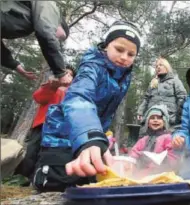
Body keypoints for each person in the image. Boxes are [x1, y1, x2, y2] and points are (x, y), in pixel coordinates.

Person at [32, 20, 143, 192]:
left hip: (91, 142)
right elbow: (79, 97)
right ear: (106, 45)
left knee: (88, 187)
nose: (124, 57)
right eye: (119, 49)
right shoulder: (92, 66)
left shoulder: (122, 76)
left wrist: (102, 135)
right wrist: (90, 134)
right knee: (58, 187)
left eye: (131, 54)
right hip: (63, 137)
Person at [14, 65, 77, 182]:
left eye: (70, 74)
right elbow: (38, 97)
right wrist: (53, 87)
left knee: (51, 152)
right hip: (42, 124)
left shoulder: (74, 91)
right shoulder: (51, 86)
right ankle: (23, 178)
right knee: (33, 151)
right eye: (64, 73)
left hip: (59, 129)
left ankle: (44, 177)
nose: (67, 76)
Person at [1, 1, 71, 84]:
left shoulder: (26, 20)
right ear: (60, 23)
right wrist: (61, 73)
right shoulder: (49, 6)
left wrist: (15, 65)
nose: (58, 40)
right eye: (62, 36)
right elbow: (46, 33)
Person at [137, 57, 187, 134]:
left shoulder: (175, 81)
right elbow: (146, 98)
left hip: (169, 119)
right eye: (156, 66)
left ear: (167, 67)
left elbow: (182, 98)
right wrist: (140, 111)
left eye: (161, 65)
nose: (158, 67)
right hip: (153, 117)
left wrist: (177, 117)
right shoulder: (153, 83)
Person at [130, 105, 179, 177]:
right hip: (142, 175)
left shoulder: (167, 138)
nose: (155, 120)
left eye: (159, 118)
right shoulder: (143, 140)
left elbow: (173, 156)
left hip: (162, 175)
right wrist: (138, 159)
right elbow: (133, 153)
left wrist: (161, 161)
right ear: (148, 122)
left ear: (164, 122)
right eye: (152, 118)